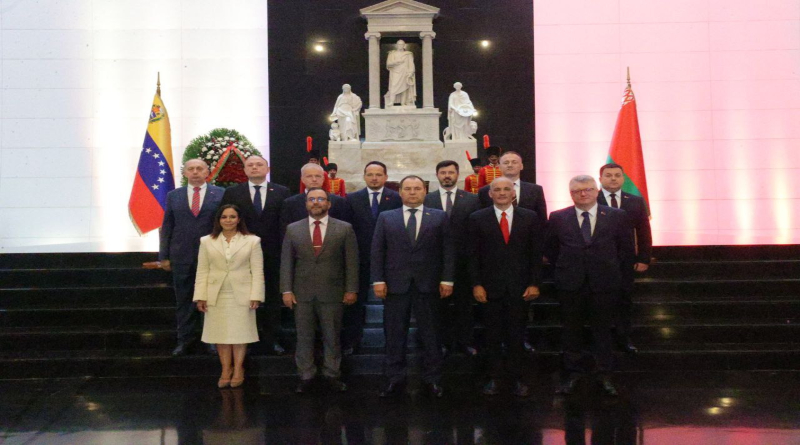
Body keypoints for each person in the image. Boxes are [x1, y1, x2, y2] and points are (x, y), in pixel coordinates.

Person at [545, 175, 634, 396]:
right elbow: (551, 249)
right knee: (571, 331)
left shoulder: (617, 216)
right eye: (577, 191)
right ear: (571, 194)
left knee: (602, 331)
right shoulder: (558, 217)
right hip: (570, 283)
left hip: (604, 283)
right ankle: (572, 373)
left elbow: (625, 250)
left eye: (587, 189)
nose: (583, 194)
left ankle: (604, 375)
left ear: (596, 191)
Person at [372, 175, 455, 398]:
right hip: (395, 286)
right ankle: (394, 379)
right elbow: (378, 250)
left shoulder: (439, 216)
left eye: (417, 188)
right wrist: (378, 280)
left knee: (431, 335)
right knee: (394, 334)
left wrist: (447, 279)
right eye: (407, 189)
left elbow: (448, 250)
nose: (412, 192)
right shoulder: (386, 217)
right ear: (400, 192)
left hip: (429, 285)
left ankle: (433, 379)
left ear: (424, 191)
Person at [468, 177, 543, 397]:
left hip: (520, 288)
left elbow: (535, 254)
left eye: (506, 189)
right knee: (491, 337)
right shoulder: (477, 218)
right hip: (489, 289)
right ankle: (494, 377)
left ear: (513, 193)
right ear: (490, 194)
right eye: (497, 189)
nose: (502, 193)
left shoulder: (530, 217)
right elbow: (472, 256)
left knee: (516, 336)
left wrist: (534, 283)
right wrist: (476, 284)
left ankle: (517, 378)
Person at [281, 188, 359, 394]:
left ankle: (332, 374)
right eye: (311, 199)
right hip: (301, 293)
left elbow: (351, 262)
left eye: (320, 199)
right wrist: (286, 290)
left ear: (329, 204)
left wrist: (351, 289)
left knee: (332, 336)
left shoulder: (344, 228)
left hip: (333, 292)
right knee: (304, 337)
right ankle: (306, 375)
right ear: (306, 203)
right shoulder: (293, 229)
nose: (316, 202)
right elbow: (286, 262)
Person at [220, 155, 291, 355]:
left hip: (273, 253)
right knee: (243, 297)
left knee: (272, 297)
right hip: (241, 253)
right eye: (250, 165)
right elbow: (226, 221)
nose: (254, 167)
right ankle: (245, 338)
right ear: (244, 170)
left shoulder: (282, 191)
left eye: (259, 164)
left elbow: (286, 223)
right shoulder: (233, 192)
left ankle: (272, 338)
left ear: (267, 169)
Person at [194, 204, 265, 388]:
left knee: (240, 334)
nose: (228, 220)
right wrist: (201, 296)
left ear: (239, 219)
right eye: (224, 217)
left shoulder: (252, 241)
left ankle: (239, 368)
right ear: (218, 220)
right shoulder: (206, 241)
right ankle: (226, 369)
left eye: (232, 217)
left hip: (242, 294)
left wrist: (256, 295)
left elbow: (257, 271)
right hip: (215, 294)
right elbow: (202, 270)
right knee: (220, 334)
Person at [159, 159, 225, 356]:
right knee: (184, 300)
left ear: (207, 172)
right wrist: (164, 256)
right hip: (181, 255)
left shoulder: (220, 193)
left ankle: (211, 339)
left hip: (212, 255)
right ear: (185, 173)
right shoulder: (174, 195)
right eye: (191, 169)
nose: (195, 172)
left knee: (211, 299)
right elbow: (167, 226)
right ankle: (184, 340)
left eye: (199, 168)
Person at [342, 161, 402, 355]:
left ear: (386, 177)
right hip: (360, 258)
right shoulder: (351, 199)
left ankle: (392, 344)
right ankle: (352, 342)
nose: (374, 178)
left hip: (390, 259)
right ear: (364, 176)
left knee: (392, 305)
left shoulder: (396, 198)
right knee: (355, 303)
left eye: (378, 174)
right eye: (370, 174)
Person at [423, 160, 481, 356]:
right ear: (437, 175)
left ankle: (465, 341)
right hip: (435, 263)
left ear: (458, 175)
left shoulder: (472, 199)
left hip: (464, 263)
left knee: (464, 305)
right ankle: (441, 342)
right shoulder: (427, 199)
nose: (447, 176)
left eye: (451, 172)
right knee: (437, 307)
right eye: (443, 172)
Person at [598, 163, 652, 354]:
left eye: (617, 175)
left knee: (624, 301)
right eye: (608, 175)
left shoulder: (635, 201)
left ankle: (623, 338)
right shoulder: (591, 198)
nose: (613, 178)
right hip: (598, 261)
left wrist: (644, 258)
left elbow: (644, 231)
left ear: (623, 178)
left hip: (625, 261)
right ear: (600, 179)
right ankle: (601, 340)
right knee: (600, 303)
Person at [281, 163, 352, 234]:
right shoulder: (290, 203)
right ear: (302, 179)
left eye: (318, 176)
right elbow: (286, 233)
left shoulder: (338, 202)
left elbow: (345, 230)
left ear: (323, 178)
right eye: (309, 176)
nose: (314, 179)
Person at [385, 40, 416, 107]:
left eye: (402, 44)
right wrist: (397, 62)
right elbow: (388, 64)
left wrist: (411, 72)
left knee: (405, 88)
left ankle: (403, 103)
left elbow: (411, 64)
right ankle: (391, 102)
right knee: (393, 86)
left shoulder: (408, 54)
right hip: (395, 72)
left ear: (404, 45)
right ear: (397, 45)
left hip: (405, 72)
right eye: (399, 44)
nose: (400, 46)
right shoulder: (392, 54)